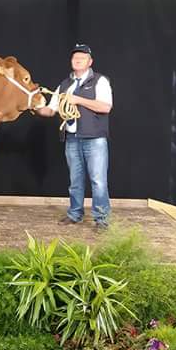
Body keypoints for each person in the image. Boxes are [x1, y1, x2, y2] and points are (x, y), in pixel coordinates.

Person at [36, 43, 113, 229]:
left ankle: (101, 218)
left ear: (90, 61)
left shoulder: (100, 81)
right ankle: (75, 213)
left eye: (82, 57)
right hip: (72, 139)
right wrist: (34, 107)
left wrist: (78, 100)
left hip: (95, 139)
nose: (78, 60)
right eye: (75, 57)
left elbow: (105, 107)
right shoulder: (64, 85)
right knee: (75, 180)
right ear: (71, 61)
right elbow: (51, 110)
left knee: (98, 180)